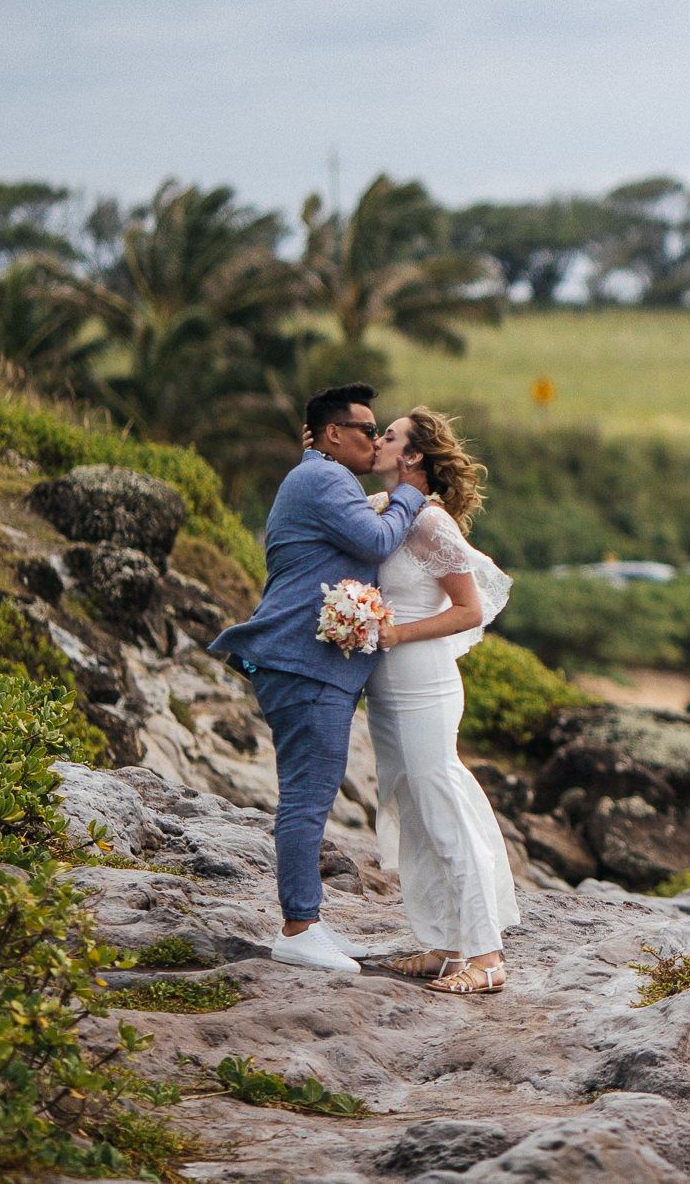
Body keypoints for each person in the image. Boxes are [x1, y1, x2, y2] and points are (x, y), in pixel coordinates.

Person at [209, 384, 426, 973]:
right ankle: (298, 928)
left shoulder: (319, 477)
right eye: (366, 430)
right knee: (306, 799)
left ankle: (310, 921)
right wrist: (410, 493)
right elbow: (377, 539)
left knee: (312, 794)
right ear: (333, 434)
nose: (377, 440)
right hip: (303, 664)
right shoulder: (325, 480)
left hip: (306, 664)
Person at [363, 409, 520, 997]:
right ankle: (443, 942)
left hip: (421, 680)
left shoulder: (430, 523)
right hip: (386, 683)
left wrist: (397, 632)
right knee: (414, 806)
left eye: (389, 436)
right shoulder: (384, 512)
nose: (377, 442)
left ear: (413, 458)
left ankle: (485, 954)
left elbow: (469, 610)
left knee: (441, 802)